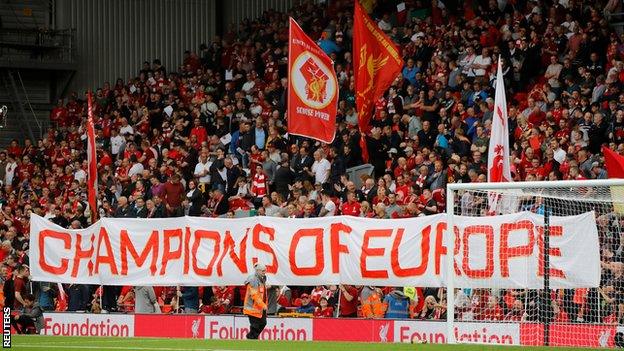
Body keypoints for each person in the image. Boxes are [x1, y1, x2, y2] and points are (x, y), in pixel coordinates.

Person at [243, 263, 267, 339]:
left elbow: (262, 294)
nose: (264, 272)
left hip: (259, 308)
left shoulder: (262, 279)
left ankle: (251, 337)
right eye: (263, 271)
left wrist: (264, 305)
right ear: (258, 271)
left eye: (265, 270)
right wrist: (263, 305)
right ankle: (252, 338)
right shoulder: (253, 279)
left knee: (263, 323)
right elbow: (254, 295)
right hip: (252, 307)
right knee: (255, 325)